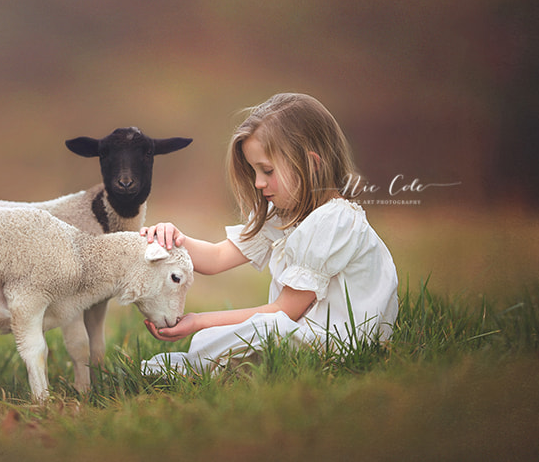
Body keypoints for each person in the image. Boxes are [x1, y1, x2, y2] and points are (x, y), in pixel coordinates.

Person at [140, 93, 398, 374]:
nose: (258, 183)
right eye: (254, 171)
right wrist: (173, 240)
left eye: (267, 170)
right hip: (297, 332)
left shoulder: (334, 220)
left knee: (253, 330)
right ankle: (214, 368)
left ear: (311, 165)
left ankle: (204, 370)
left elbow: (286, 310)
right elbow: (216, 258)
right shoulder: (286, 215)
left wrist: (199, 321)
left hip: (336, 346)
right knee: (227, 337)